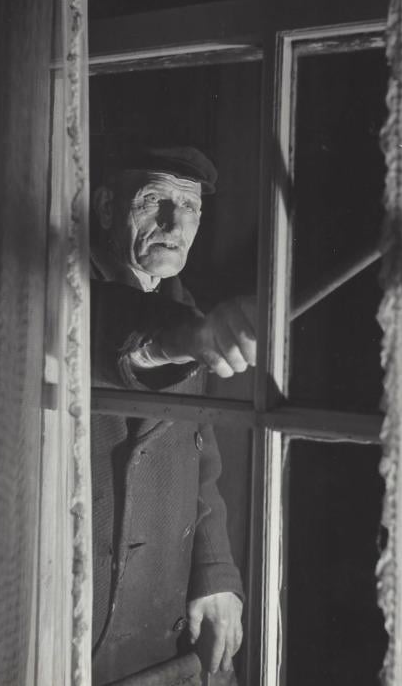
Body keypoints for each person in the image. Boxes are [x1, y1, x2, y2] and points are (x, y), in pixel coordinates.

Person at [90, 147, 256, 685]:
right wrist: (191, 339)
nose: (174, 223)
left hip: (158, 617)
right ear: (107, 207)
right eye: (154, 200)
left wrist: (214, 572)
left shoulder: (185, 306)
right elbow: (125, 335)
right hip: (74, 612)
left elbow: (199, 457)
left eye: (189, 207)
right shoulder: (61, 291)